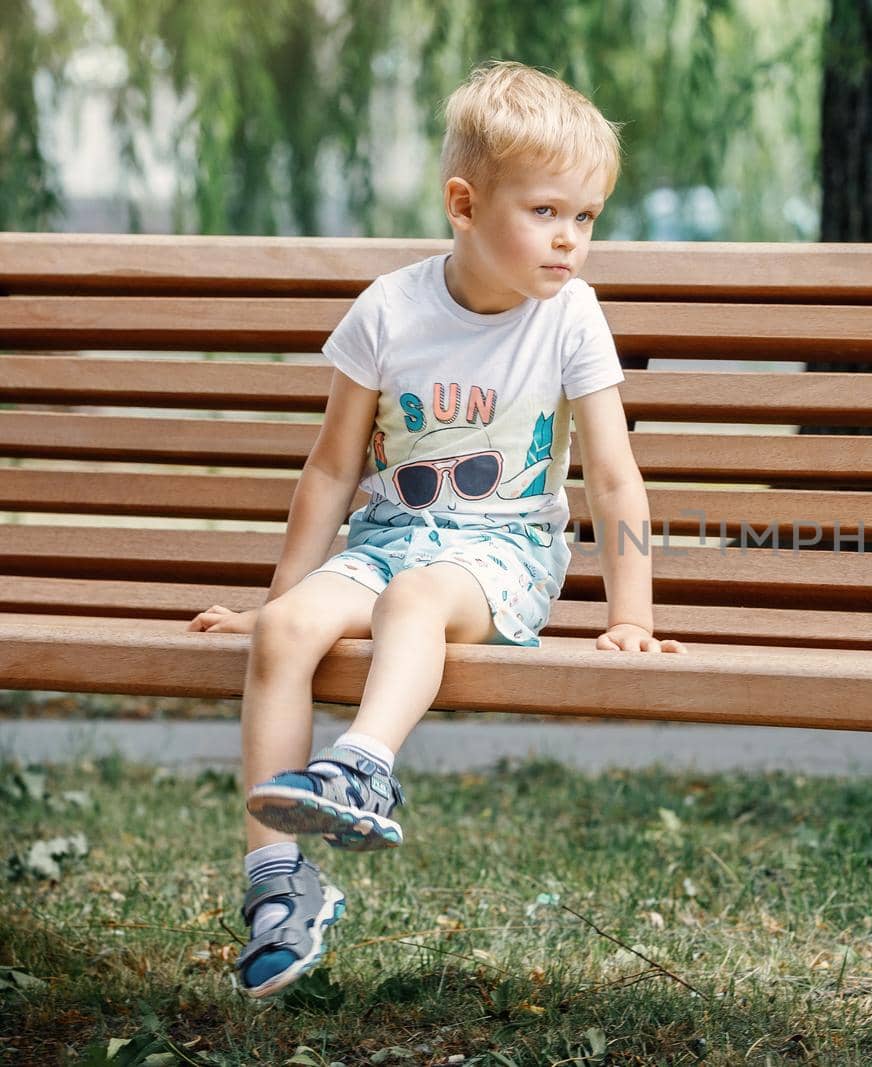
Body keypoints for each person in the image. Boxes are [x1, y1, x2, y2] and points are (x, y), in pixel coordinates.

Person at [186, 60, 687, 998]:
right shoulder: (390, 309)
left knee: (415, 598)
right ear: (465, 202)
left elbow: (615, 478)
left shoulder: (571, 317)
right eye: (545, 212)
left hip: (500, 557)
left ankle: (364, 768)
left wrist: (630, 612)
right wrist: (277, 598)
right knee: (289, 631)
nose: (571, 241)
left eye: (586, 217)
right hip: (384, 538)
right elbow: (333, 468)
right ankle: (278, 888)